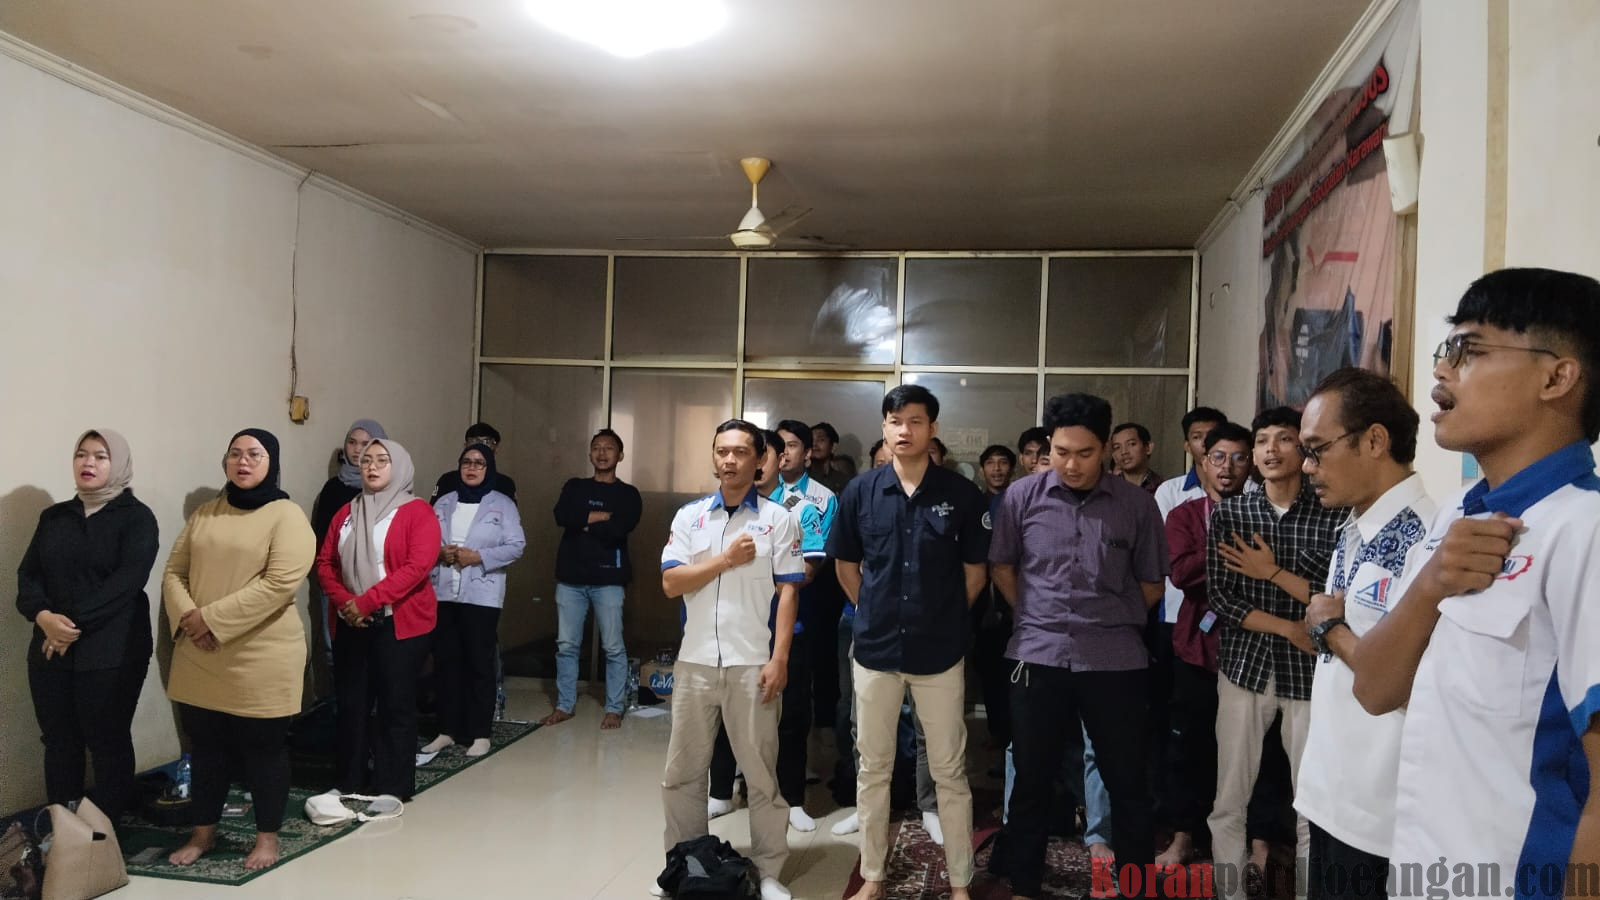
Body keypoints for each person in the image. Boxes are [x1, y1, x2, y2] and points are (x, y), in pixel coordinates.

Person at [1353, 268, 1600, 900]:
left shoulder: (1583, 529)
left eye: (1469, 350)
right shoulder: (1458, 514)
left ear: (1556, 378)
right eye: (1447, 349)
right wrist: (1431, 583)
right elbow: (1376, 689)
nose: (1442, 370)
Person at [989, 394, 1169, 899]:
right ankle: (1025, 880)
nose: (1071, 464)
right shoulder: (1022, 496)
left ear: (1106, 448)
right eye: (1061, 451)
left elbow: (1151, 583)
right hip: (1038, 653)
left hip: (1115, 658)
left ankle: (1134, 884)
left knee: (1127, 779)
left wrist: (1111, 618)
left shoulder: (1136, 506)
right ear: (1050, 444)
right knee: (1031, 775)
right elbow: (1002, 566)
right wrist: (1033, 615)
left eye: (1085, 453)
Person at [828, 385, 990, 900]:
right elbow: (846, 566)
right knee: (872, 768)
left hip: (939, 653)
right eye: (895, 421)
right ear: (884, 427)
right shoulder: (861, 492)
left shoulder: (961, 495)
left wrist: (942, 618)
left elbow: (975, 574)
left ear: (932, 429)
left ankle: (960, 882)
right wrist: (875, 611)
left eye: (915, 421)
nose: (905, 430)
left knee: (949, 770)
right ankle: (874, 875)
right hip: (875, 651)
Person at [1290, 368, 1432, 900]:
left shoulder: (1426, 541)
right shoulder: (1353, 527)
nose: (1308, 467)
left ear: (1374, 440)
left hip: (1380, 809)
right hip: (1333, 788)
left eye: (1317, 450)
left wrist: (1331, 628)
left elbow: (1413, 681)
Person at [656, 420, 802, 900]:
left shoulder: (779, 519)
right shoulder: (690, 517)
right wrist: (723, 560)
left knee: (760, 773)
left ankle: (769, 869)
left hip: (752, 662)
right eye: (722, 451)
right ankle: (683, 866)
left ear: (760, 459)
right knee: (682, 773)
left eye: (741, 451)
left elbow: (788, 593)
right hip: (695, 661)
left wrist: (779, 658)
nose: (730, 460)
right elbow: (671, 583)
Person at [1207, 408, 1345, 900]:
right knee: (1229, 799)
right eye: (1262, 440)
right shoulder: (1231, 514)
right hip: (1245, 668)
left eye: (1283, 439)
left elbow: (1337, 596)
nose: (1270, 449)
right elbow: (1221, 597)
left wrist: (1270, 572)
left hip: (1309, 673)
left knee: (1311, 802)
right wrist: (1289, 626)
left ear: (1302, 448)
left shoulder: (1333, 512)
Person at [163, 428, 316, 870]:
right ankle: (203, 833)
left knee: (263, 750)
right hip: (200, 653)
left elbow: (279, 583)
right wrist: (190, 617)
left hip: (261, 655)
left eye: (254, 454)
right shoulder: (207, 513)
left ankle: (267, 838)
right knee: (206, 748)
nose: (243, 461)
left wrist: (211, 619)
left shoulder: (287, 516)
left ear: (272, 463)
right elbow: (174, 571)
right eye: (235, 454)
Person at [17, 429, 158, 825]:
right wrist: (44, 618)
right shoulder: (54, 518)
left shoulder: (137, 518)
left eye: (100, 456)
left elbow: (126, 584)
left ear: (119, 464)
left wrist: (68, 626)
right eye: (82, 454)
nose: (88, 463)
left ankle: (106, 835)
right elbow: (28, 576)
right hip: (50, 648)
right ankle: (64, 834)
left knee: (107, 741)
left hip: (112, 651)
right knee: (59, 743)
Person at [317, 439, 441, 802]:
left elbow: (416, 568)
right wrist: (346, 603)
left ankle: (392, 785)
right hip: (351, 621)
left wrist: (367, 602)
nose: (372, 467)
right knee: (352, 704)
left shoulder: (418, 512)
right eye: (366, 460)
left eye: (382, 460)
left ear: (398, 466)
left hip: (399, 623)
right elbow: (325, 563)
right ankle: (349, 780)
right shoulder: (347, 512)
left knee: (394, 705)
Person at [1159, 422, 1252, 869]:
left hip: (1253, 649)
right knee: (1189, 748)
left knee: (1251, 751)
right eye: (1219, 457)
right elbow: (1183, 575)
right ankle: (1183, 836)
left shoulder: (1265, 513)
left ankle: (1255, 840)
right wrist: (1242, 556)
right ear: (1203, 462)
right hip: (1197, 648)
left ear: (1250, 465)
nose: (1227, 467)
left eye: (1238, 458)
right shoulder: (1183, 516)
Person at [422, 443, 525, 757]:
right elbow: (423, 543)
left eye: (479, 463)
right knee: (446, 663)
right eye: (466, 462)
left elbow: (516, 545)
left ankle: (480, 732)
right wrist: (440, 553)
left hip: (481, 596)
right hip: (443, 593)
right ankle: (447, 730)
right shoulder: (443, 502)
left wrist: (478, 557)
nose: (472, 468)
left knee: (479, 664)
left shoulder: (502, 504)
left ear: (489, 468)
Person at [544, 429, 642, 729]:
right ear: (590, 454)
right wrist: (601, 516)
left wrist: (583, 521)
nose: (602, 453)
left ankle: (614, 708)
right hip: (570, 579)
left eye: (608, 448)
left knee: (613, 646)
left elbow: (620, 528)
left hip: (609, 579)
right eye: (596, 447)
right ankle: (564, 705)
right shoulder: (575, 486)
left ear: (620, 455)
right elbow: (562, 516)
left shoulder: (628, 494)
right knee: (566, 645)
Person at [308, 418, 387, 698]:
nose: (357, 449)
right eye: (352, 442)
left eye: (365, 444)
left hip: (373, 582)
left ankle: (371, 711)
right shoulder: (333, 488)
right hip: (334, 580)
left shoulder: (385, 490)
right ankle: (339, 708)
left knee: (375, 649)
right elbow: (321, 537)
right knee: (333, 646)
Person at [431, 422, 517, 503]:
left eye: (486, 443)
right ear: (465, 447)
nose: (472, 467)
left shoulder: (504, 484)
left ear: (496, 448)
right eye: (473, 442)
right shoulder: (447, 481)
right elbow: (433, 511)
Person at [809, 421, 858, 495]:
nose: (814, 444)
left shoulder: (844, 482)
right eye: (811, 440)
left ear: (833, 447)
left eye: (821, 440)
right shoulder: (798, 477)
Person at [1111, 422, 1161, 493]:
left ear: (1148, 448)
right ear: (1114, 456)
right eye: (1117, 447)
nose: (1124, 451)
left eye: (1132, 444)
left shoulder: (1163, 488)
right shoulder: (1107, 489)